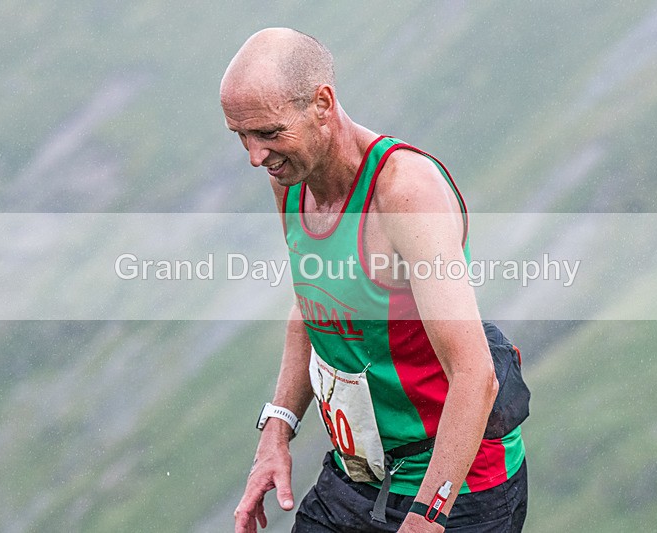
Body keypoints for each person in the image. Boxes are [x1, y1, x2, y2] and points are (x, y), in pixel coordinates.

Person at [221, 28, 527, 532]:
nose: (256, 156)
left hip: (458, 484)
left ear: (322, 103)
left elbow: (477, 376)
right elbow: (313, 306)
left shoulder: (406, 193)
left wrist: (428, 517)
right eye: (242, 136)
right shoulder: (291, 184)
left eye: (269, 134)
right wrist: (276, 431)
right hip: (359, 475)